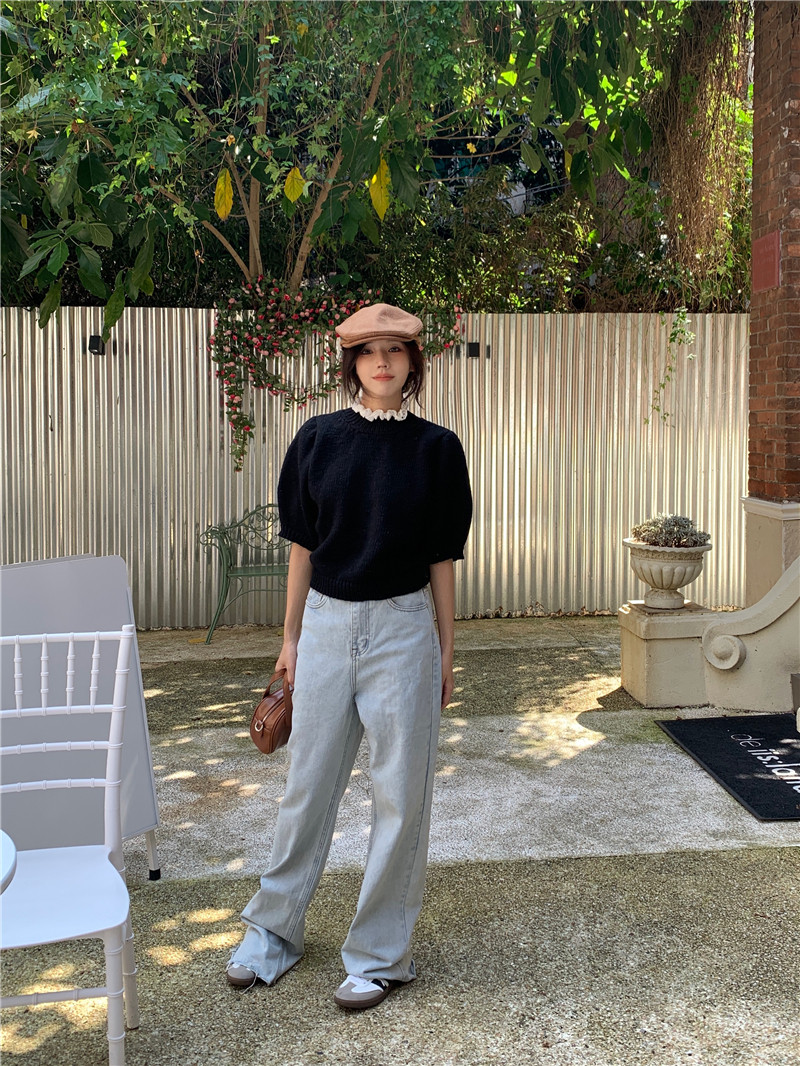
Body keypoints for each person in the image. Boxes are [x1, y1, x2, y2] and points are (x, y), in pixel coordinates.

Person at [225, 302, 472, 1010]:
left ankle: (380, 955)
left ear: (414, 360)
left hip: (404, 629)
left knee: (401, 794)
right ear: (351, 363)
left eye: (394, 349)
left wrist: (446, 648)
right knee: (307, 788)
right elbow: (303, 547)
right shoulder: (317, 439)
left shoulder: (437, 449)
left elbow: (442, 557)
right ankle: (272, 932)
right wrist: (290, 639)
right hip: (327, 627)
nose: (382, 361)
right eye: (368, 351)